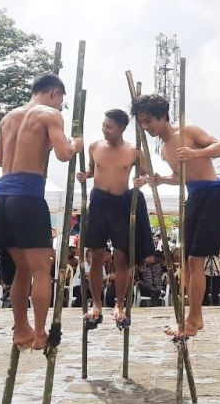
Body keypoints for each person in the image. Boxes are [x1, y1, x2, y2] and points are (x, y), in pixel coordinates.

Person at [0, 74, 81, 350]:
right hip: (26, 197)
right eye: (61, 100)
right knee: (40, 269)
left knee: (21, 271)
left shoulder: (8, 118)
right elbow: (64, 154)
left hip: (1, 199)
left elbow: (0, 159)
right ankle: (39, 332)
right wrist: (76, 144)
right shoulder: (50, 115)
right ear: (54, 92)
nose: (61, 106)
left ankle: (21, 329)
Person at [132, 93, 220, 338]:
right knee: (187, 262)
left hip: (212, 196)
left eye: (149, 120)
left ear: (162, 116)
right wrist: (160, 180)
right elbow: (180, 177)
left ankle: (194, 320)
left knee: (196, 262)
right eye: (142, 122)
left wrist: (195, 153)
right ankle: (191, 317)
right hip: (193, 197)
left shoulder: (188, 132)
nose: (146, 127)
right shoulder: (163, 150)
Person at [77, 108, 154, 326]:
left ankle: (119, 304)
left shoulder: (134, 151)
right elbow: (93, 169)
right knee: (96, 256)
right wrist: (86, 175)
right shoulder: (94, 147)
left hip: (121, 204)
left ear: (121, 128)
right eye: (103, 125)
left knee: (122, 258)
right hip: (99, 202)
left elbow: (147, 174)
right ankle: (96, 303)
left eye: (109, 127)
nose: (105, 130)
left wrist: (142, 180)